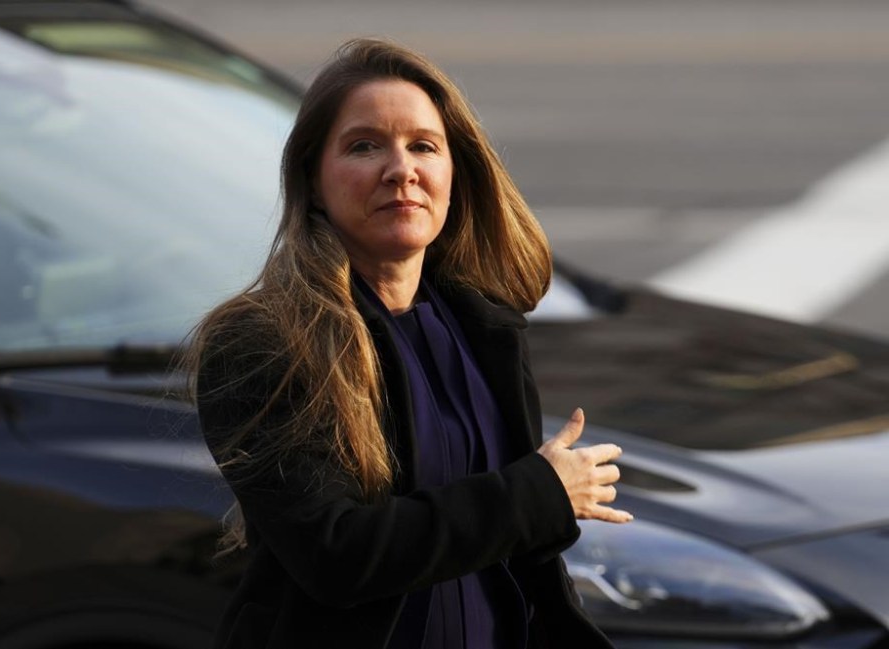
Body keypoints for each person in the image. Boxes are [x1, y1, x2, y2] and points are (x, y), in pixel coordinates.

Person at [189, 37, 632, 649]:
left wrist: (541, 506)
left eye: (423, 146)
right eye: (364, 146)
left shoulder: (485, 328)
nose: (402, 170)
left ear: (455, 173)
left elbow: (518, 558)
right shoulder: (264, 342)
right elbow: (337, 557)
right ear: (313, 182)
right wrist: (539, 494)